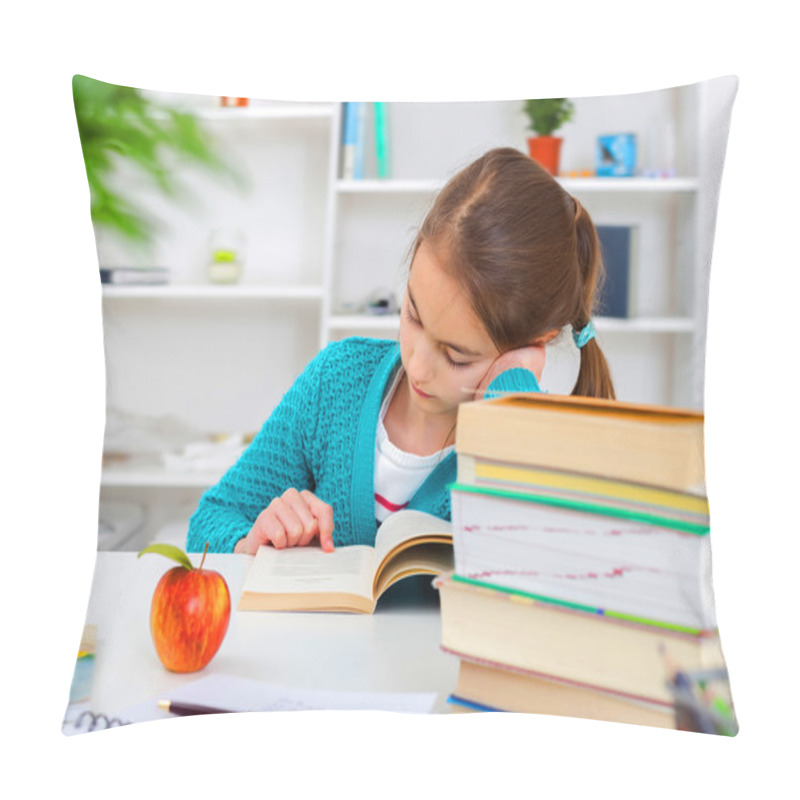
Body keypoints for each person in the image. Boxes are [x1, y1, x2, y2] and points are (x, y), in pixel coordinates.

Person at [186, 147, 615, 555]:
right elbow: (210, 521)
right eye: (413, 314)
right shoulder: (336, 383)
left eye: (457, 355)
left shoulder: (547, 440)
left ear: (534, 344)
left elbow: (543, 576)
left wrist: (512, 394)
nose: (418, 367)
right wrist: (250, 543)